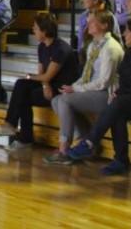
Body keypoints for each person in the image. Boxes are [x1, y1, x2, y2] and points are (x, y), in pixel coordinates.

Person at [66, 17, 131, 174]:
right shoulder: (129, 55)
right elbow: (124, 82)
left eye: (128, 31)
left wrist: (123, 94)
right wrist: (119, 93)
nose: (124, 34)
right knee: (117, 109)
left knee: (120, 103)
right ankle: (121, 160)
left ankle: (90, 141)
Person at [45, 10, 124, 165]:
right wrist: (73, 86)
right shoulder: (93, 45)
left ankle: (64, 149)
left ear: (104, 25)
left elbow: (103, 82)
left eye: (93, 21)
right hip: (92, 90)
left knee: (65, 101)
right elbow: (86, 75)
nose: (88, 25)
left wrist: (76, 90)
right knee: (56, 100)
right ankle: (88, 141)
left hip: (106, 95)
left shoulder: (111, 48)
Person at [0, 12, 79, 148]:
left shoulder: (60, 49)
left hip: (62, 89)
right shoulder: (42, 46)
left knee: (24, 93)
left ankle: (24, 136)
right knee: (21, 86)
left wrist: (32, 77)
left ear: (45, 30)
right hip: (49, 85)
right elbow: (42, 73)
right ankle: (12, 126)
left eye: (36, 28)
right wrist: (44, 85)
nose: (33, 30)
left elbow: (48, 75)